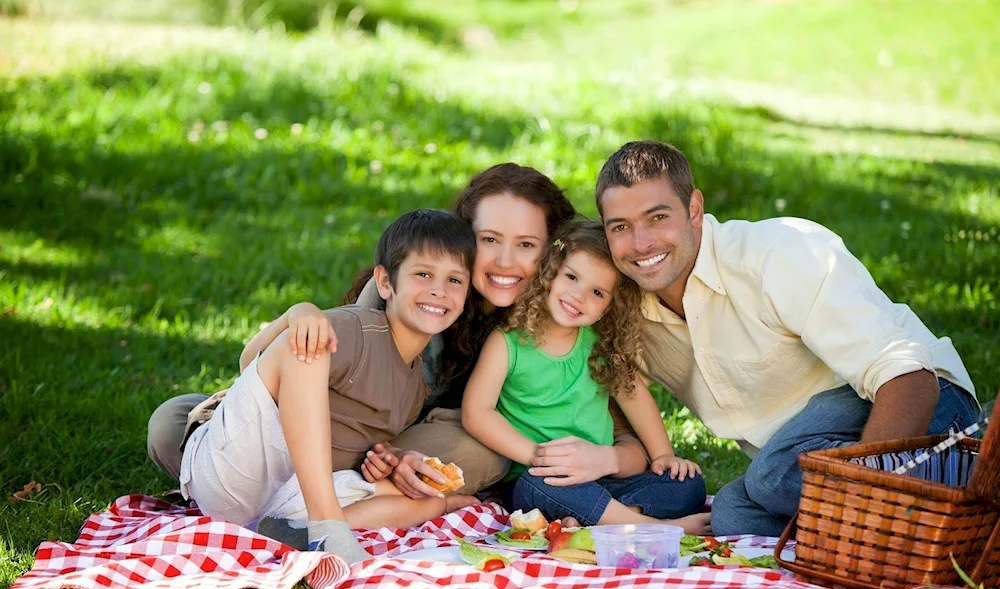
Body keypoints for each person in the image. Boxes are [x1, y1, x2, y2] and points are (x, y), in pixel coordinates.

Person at [149, 163, 656, 505]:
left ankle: (321, 496)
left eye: (526, 245)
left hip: (428, 445)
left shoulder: (561, 319)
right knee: (171, 422)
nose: (505, 262)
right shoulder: (420, 296)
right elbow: (320, 374)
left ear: (552, 251)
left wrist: (610, 457)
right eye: (488, 241)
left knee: (481, 451)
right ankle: (301, 489)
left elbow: (613, 424)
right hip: (327, 430)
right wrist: (298, 313)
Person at [595, 140, 980, 537]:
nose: (641, 243)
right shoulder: (621, 311)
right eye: (620, 227)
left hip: (924, 412)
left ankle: (937, 500)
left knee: (771, 474)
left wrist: (866, 495)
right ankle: (920, 521)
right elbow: (590, 391)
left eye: (657, 217)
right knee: (732, 515)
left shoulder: (779, 255)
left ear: (694, 209)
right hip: (800, 458)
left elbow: (910, 378)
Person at [177, 209, 477, 563]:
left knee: (425, 499)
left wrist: (388, 460)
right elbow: (250, 364)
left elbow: (349, 440)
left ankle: (293, 533)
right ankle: (328, 528)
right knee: (309, 345)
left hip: (282, 500)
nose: (439, 291)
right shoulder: (355, 330)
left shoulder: (414, 388)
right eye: (423, 274)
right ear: (384, 283)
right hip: (235, 468)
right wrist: (297, 313)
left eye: (454, 280)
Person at [462, 220, 709, 532]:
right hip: (541, 479)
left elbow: (635, 397)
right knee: (541, 488)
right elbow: (476, 413)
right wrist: (539, 458)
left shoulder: (599, 345)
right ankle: (651, 527)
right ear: (551, 274)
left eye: (596, 292)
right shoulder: (508, 342)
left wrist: (663, 456)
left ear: (608, 307)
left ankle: (607, 518)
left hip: (600, 478)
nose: (579, 296)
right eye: (572, 277)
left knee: (688, 484)